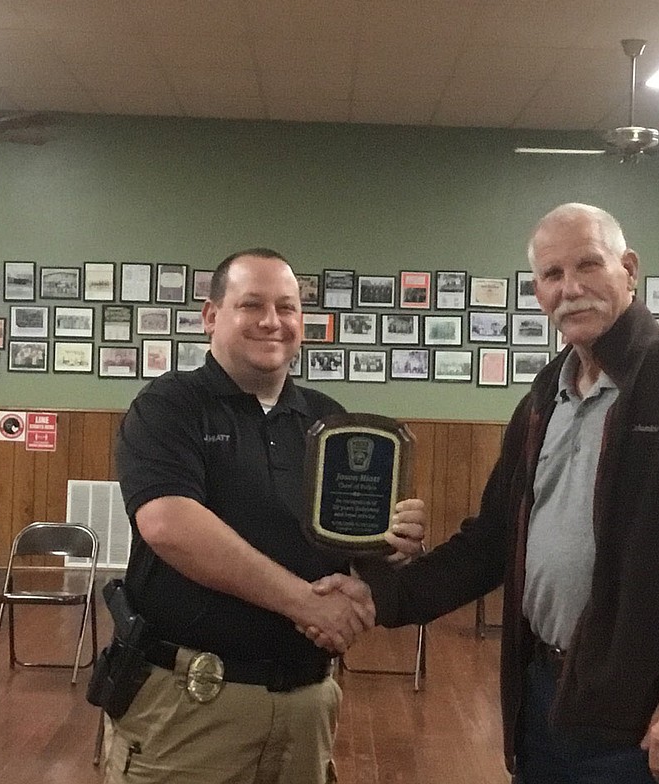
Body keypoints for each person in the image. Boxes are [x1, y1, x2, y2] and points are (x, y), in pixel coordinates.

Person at [311, 203, 659, 784]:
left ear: (629, 268)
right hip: (540, 693)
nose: (571, 288)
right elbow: (490, 542)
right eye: (552, 274)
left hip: (646, 712)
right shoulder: (544, 393)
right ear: (537, 289)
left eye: (589, 265)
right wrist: (376, 595)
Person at [97, 248, 426, 784]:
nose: (272, 321)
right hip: (190, 709)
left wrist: (389, 544)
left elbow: (349, 549)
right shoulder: (169, 406)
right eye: (252, 304)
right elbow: (169, 525)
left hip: (307, 707)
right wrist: (305, 604)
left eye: (287, 307)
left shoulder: (329, 421)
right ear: (211, 316)